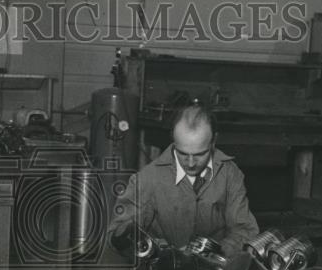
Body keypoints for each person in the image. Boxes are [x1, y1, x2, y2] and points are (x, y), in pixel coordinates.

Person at [109, 103, 258, 256]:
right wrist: (160, 253)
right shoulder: (148, 179)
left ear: (214, 142)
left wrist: (213, 252)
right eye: (183, 154)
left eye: (200, 154)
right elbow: (117, 235)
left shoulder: (230, 174)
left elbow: (245, 230)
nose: (191, 163)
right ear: (173, 140)